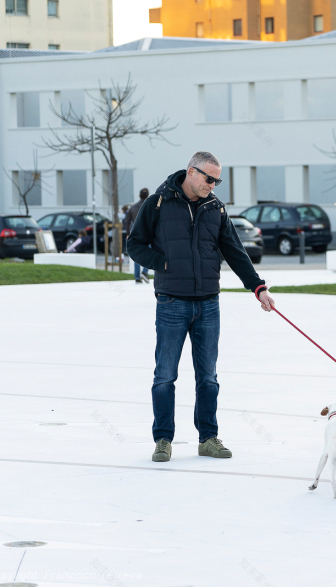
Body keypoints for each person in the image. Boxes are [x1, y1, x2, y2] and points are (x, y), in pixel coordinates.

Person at [127, 151, 276, 463]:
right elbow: (135, 244)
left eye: (217, 180)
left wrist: (258, 287)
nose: (213, 185)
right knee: (165, 375)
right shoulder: (158, 203)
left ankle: (208, 438)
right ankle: (163, 440)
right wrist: (162, 263)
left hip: (208, 303)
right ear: (192, 172)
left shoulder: (215, 208)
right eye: (210, 179)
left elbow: (234, 250)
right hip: (171, 302)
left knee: (208, 377)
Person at [126, 188, 151, 283]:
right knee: (148, 253)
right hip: (148, 232)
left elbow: (127, 221)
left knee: (136, 254)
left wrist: (128, 234)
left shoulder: (133, 207)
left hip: (135, 233)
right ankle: (145, 271)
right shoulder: (149, 205)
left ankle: (137, 276)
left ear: (139, 195)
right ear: (147, 196)